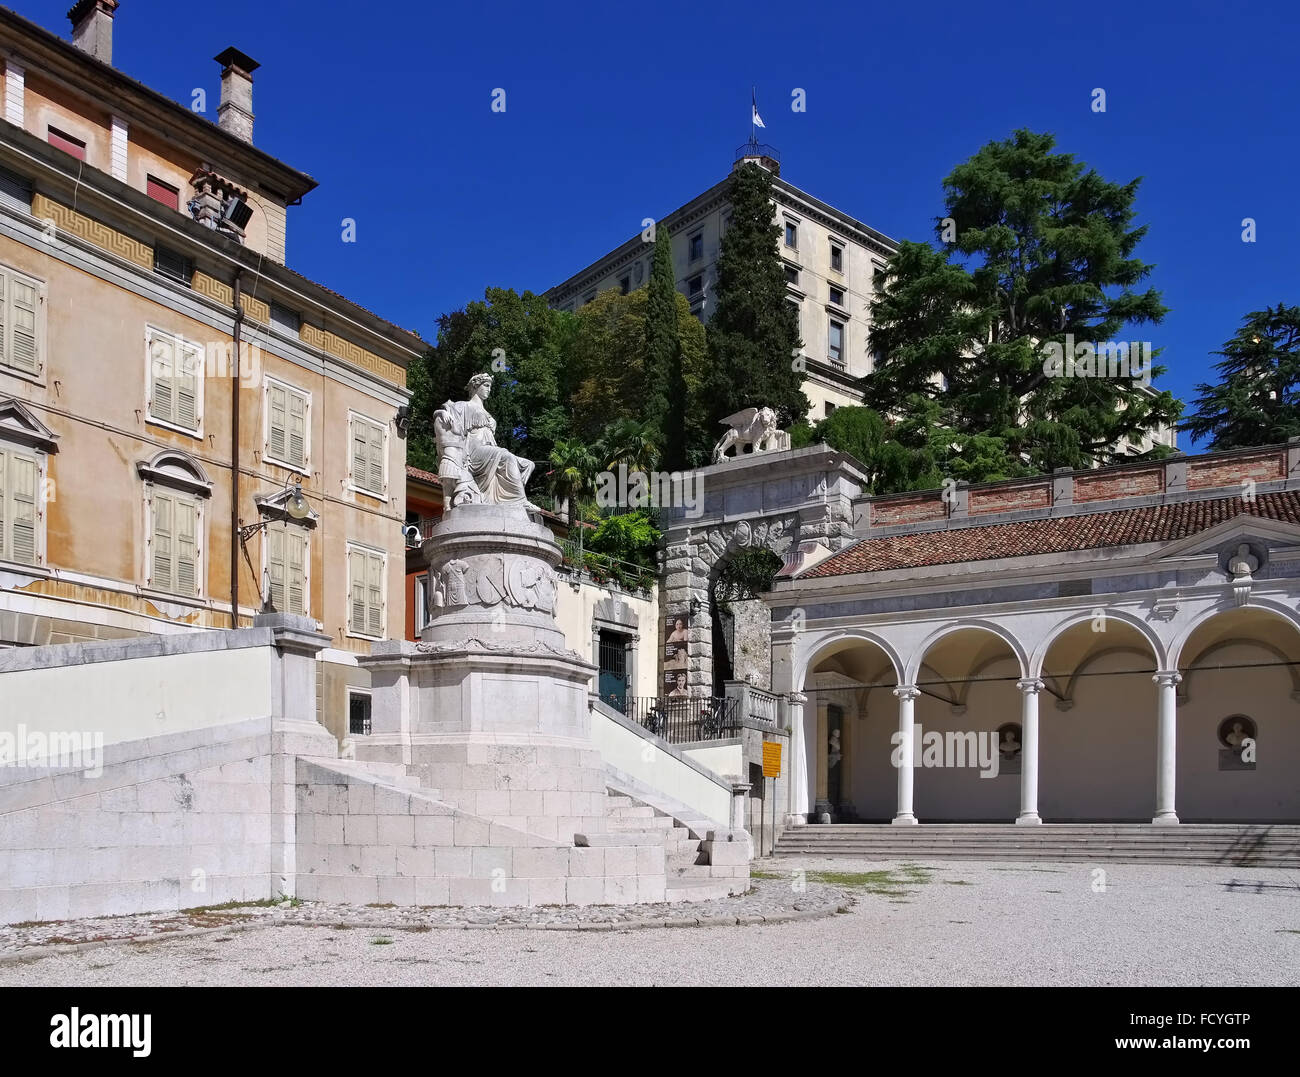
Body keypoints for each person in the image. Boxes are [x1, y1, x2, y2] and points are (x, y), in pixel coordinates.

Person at [434, 373, 537, 510]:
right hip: (474, 449)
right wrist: (441, 413)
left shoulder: (488, 413)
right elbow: (444, 412)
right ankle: (520, 500)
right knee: (506, 457)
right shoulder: (464, 406)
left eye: (490, 387)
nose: (489, 389)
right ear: (476, 386)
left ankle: (506, 500)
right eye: (486, 386)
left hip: (489, 449)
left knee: (528, 464)